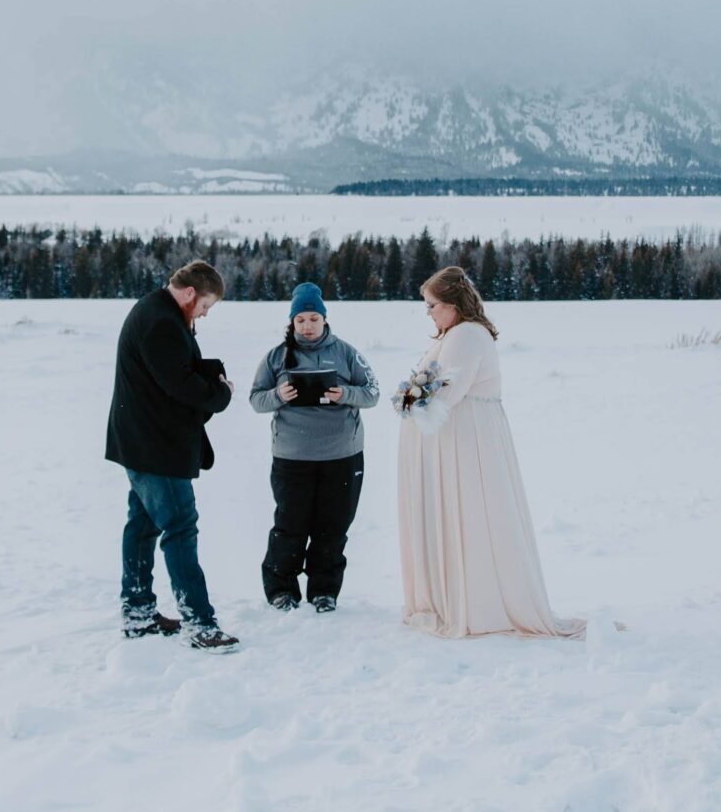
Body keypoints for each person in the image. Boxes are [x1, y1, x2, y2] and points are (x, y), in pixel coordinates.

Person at [396, 265, 584, 639]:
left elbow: (449, 390)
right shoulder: (453, 333)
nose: (429, 313)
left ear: (453, 304)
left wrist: (414, 398)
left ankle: (478, 600)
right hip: (455, 436)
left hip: (468, 439)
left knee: (470, 512)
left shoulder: (467, 335)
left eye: (433, 305)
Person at [105, 259, 243, 652]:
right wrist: (222, 393)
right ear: (189, 293)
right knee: (180, 527)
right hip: (155, 446)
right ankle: (199, 623)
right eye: (205, 306)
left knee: (144, 523)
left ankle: (138, 612)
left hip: (142, 441)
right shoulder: (161, 322)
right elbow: (180, 385)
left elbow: (173, 373)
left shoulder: (156, 310)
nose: (204, 314)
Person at [248, 281, 377, 611]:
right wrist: (279, 395)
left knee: (332, 527)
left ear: (324, 320)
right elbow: (256, 400)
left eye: (313, 319)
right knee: (290, 525)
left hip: (342, 456)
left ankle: (324, 591)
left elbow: (372, 393)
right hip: (292, 458)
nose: (307, 327)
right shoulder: (276, 357)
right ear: (292, 322)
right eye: (301, 320)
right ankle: (281, 590)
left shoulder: (347, 353)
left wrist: (344, 394)